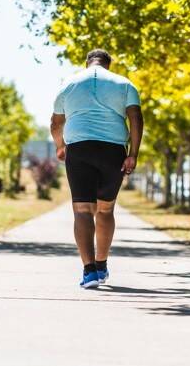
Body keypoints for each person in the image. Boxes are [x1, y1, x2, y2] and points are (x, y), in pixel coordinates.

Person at [50, 49, 144, 288]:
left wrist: (60, 146)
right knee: (105, 210)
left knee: (82, 210)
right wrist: (133, 154)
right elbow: (136, 118)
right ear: (108, 64)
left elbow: (55, 123)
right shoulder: (124, 84)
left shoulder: (68, 83)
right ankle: (101, 265)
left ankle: (89, 271)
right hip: (113, 151)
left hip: (79, 149)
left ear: (87, 63)